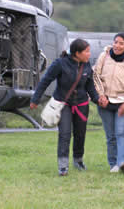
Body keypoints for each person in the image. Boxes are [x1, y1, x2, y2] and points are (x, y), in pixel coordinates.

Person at [30, 39, 100, 176]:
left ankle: (78, 160)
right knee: (65, 134)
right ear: (77, 53)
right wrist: (35, 99)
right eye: (87, 51)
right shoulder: (60, 64)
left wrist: (98, 100)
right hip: (64, 104)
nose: (89, 54)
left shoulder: (87, 66)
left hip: (81, 104)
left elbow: (90, 86)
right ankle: (63, 166)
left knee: (80, 134)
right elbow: (45, 81)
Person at [93, 33, 124, 173]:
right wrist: (101, 96)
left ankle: (123, 162)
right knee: (110, 135)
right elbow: (96, 76)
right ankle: (113, 163)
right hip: (105, 101)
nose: (117, 46)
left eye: (121, 43)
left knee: (120, 132)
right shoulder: (104, 56)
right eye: (115, 42)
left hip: (122, 102)